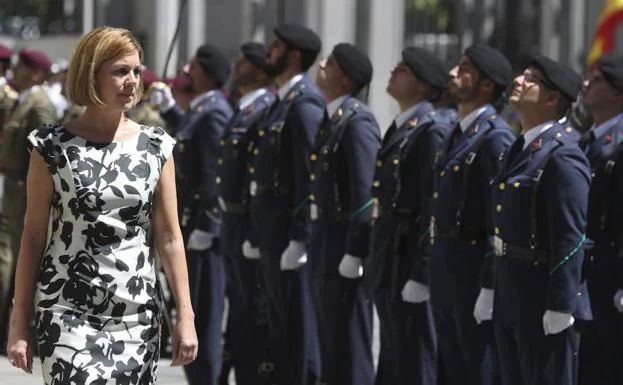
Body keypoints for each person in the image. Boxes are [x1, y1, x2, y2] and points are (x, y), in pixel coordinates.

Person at [5, 26, 198, 383]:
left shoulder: (157, 147)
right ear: (91, 75)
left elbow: (170, 238)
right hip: (66, 310)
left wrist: (185, 316)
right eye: (120, 71)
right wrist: (19, 325)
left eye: (137, 71)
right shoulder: (50, 146)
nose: (132, 81)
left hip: (136, 315)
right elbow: (32, 237)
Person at [491, 55, 591, 385]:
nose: (519, 80)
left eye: (531, 79)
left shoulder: (562, 155)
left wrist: (562, 304)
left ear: (551, 99)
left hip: (540, 298)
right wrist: (489, 284)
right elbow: (500, 224)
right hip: (511, 292)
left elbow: (571, 235)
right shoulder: (519, 149)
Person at [428, 44, 515, 385]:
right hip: (447, 267)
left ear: (487, 84)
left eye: (464, 68)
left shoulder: (495, 139)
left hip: (471, 270)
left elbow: (499, 221)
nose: (452, 73)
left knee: (476, 368)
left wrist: (489, 286)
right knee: (449, 366)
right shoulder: (456, 133)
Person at [364, 47, 450, 385]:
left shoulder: (430, 131)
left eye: (404, 70)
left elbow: (433, 207)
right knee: (394, 352)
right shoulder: (404, 127)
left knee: (415, 357)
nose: (393, 72)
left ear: (425, 86)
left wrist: (422, 272)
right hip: (390, 253)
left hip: (408, 255)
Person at [246, 23, 325, 385]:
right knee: (281, 329)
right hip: (271, 232)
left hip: (287, 235)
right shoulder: (283, 100)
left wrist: (301, 238)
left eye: (276, 47)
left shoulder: (304, 102)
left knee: (298, 331)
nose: (268, 52)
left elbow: (309, 176)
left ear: (293, 56)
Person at [151, 42, 233, 385]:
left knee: (205, 315)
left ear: (209, 75)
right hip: (191, 224)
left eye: (193, 67)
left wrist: (209, 224)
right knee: (192, 308)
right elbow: (188, 139)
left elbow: (215, 171)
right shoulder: (202, 110)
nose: (186, 71)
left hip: (203, 231)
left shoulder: (214, 111)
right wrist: (170, 110)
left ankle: (207, 379)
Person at [310, 42, 378, 385]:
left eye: (332, 63)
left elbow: (365, 193)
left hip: (342, 247)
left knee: (349, 344)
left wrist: (355, 250)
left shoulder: (357, 121)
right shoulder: (333, 118)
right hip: (325, 243)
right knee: (330, 343)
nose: (322, 64)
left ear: (348, 79)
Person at [217, 42, 275, 385]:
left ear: (259, 69)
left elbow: (261, 175)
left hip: (250, 222)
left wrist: (255, 230)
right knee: (239, 304)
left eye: (245, 62)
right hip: (234, 221)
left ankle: (256, 373)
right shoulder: (243, 108)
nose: (237, 66)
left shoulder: (264, 109)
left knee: (255, 306)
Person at [0, 49, 58, 351]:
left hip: (26, 190)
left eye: (23, 67)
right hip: (13, 187)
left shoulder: (40, 104)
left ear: (36, 73)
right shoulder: (24, 101)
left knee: (17, 256)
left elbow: (47, 152)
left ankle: (23, 327)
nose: (16, 71)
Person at [577, 55, 623, 385]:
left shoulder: (617, 145)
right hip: (583, 273)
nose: (585, 85)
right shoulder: (584, 140)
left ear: (618, 93)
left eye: (596, 81)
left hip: (609, 275)